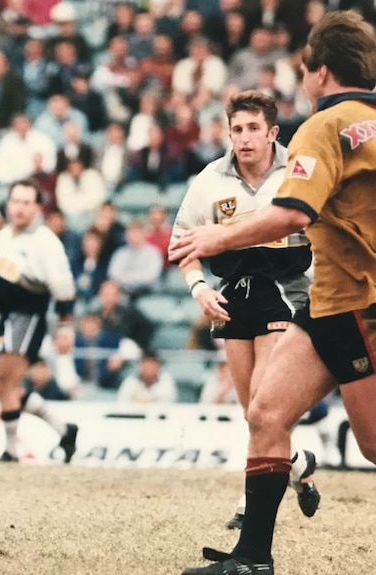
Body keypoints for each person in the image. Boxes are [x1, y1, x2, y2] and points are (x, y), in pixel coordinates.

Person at [172, 13, 376, 572]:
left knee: (374, 446)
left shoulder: (323, 126)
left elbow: (291, 212)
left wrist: (218, 234)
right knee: (265, 412)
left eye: (305, 66)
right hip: (327, 301)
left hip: (359, 304)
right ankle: (252, 557)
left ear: (321, 71)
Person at [169, 89, 321, 536]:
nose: (245, 137)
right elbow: (182, 240)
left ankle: (249, 500)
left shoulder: (298, 171)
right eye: (237, 129)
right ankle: (297, 462)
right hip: (233, 295)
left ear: (273, 132)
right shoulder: (210, 180)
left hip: (287, 293)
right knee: (251, 412)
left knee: (262, 406)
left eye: (254, 128)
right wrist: (198, 288)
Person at [0, 179, 79, 464]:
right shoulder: (5, 235)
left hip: (28, 316)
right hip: (5, 317)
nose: (19, 208)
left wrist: (65, 327)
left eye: (26, 202)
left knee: (4, 382)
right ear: (7, 204)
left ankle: (11, 450)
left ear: (37, 207)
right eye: (15, 201)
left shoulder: (46, 241)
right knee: (1, 383)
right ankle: (63, 428)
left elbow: (63, 287)